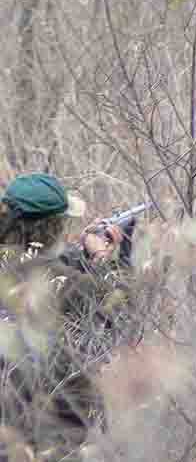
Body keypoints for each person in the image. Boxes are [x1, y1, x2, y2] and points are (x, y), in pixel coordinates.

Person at [0, 174, 140, 456]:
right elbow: (124, 312)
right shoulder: (68, 284)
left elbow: (35, 266)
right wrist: (105, 257)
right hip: (49, 437)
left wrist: (75, 255)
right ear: (53, 226)